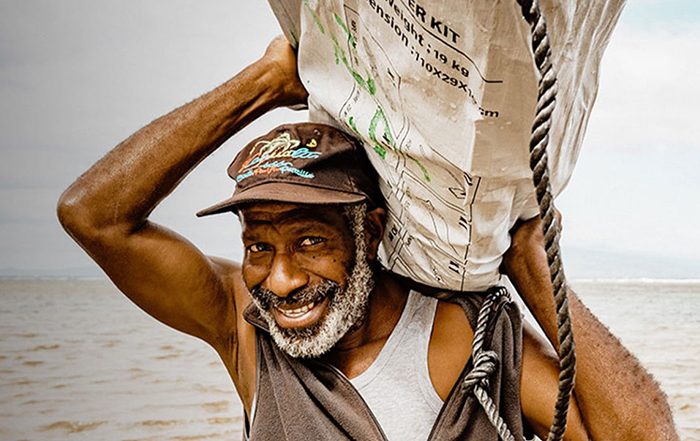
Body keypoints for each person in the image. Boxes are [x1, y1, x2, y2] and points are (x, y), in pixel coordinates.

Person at [57, 37, 677, 440]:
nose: (280, 281)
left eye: (308, 242)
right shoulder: (244, 326)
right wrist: (263, 84)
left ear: (369, 231)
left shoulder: (460, 338)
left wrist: (533, 266)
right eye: (258, 246)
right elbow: (93, 215)